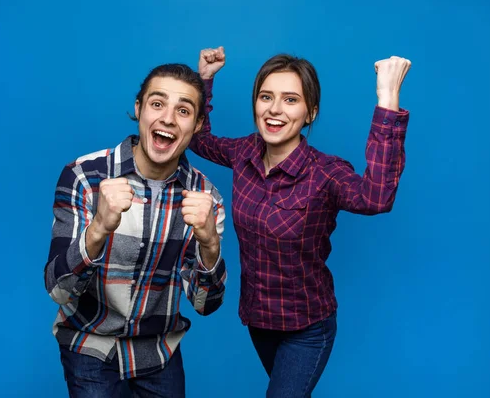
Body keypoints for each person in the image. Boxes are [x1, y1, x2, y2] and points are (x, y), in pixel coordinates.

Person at [190, 47, 411, 397]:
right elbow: (197, 137)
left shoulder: (325, 173)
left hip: (307, 327)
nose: (275, 109)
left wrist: (387, 99)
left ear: (310, 113)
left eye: (290, 100)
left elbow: (376, 197)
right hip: (258, 320)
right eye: (266, 97)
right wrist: (205, 78)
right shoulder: (244, 152)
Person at [44, 63, 227, 398]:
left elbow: (206, 304)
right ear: (140, 109)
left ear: (198, 124)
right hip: (90, 342)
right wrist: (99, 228)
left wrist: (210, 247)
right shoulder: (83, 178)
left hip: (158, 351)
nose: (169, 118)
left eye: (183, 110)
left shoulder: (206, 198)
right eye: (157, 104)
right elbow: (58, 289)